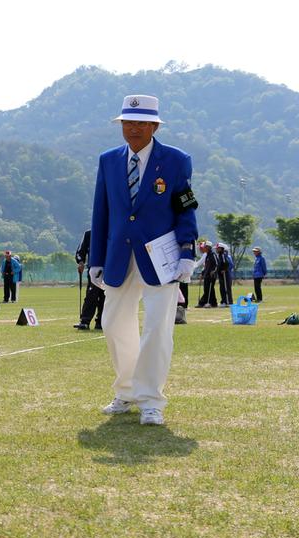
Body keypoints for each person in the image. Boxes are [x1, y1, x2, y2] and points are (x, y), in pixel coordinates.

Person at [89, 94, 198, 426]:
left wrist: (187, 251)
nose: (133, 128)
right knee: (112, 324)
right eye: (128, 123)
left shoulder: (177, 160)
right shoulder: (108, 160)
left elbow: (185, 207)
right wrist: (96, 258)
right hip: (118, 255)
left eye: (141, 123)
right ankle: (126, 390)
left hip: (162, 259)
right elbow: (101, 212)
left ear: (154, 126)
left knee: (157, 329)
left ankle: (151, 400)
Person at [74, 229, 105, 330]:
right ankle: (85, 321)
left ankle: (101, 322)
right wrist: (80, 262)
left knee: (105, 296)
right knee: (91, 295)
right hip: (94, 270)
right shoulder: (89, 234)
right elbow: (80, 251)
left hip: (109, 269)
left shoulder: (111, 231)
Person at [195, 241, 218, 308]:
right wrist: (202, 273)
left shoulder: (213, 255)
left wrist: (213, 271)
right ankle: (213, 303)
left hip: (212, 275)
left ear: (208, 247)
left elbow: (217, 264)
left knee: (208, 289)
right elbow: (206, 266)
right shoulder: (207, 255)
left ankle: (204, 303)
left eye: (204, 247)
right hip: (207, 275)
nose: (203, 248)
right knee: (208, 289)